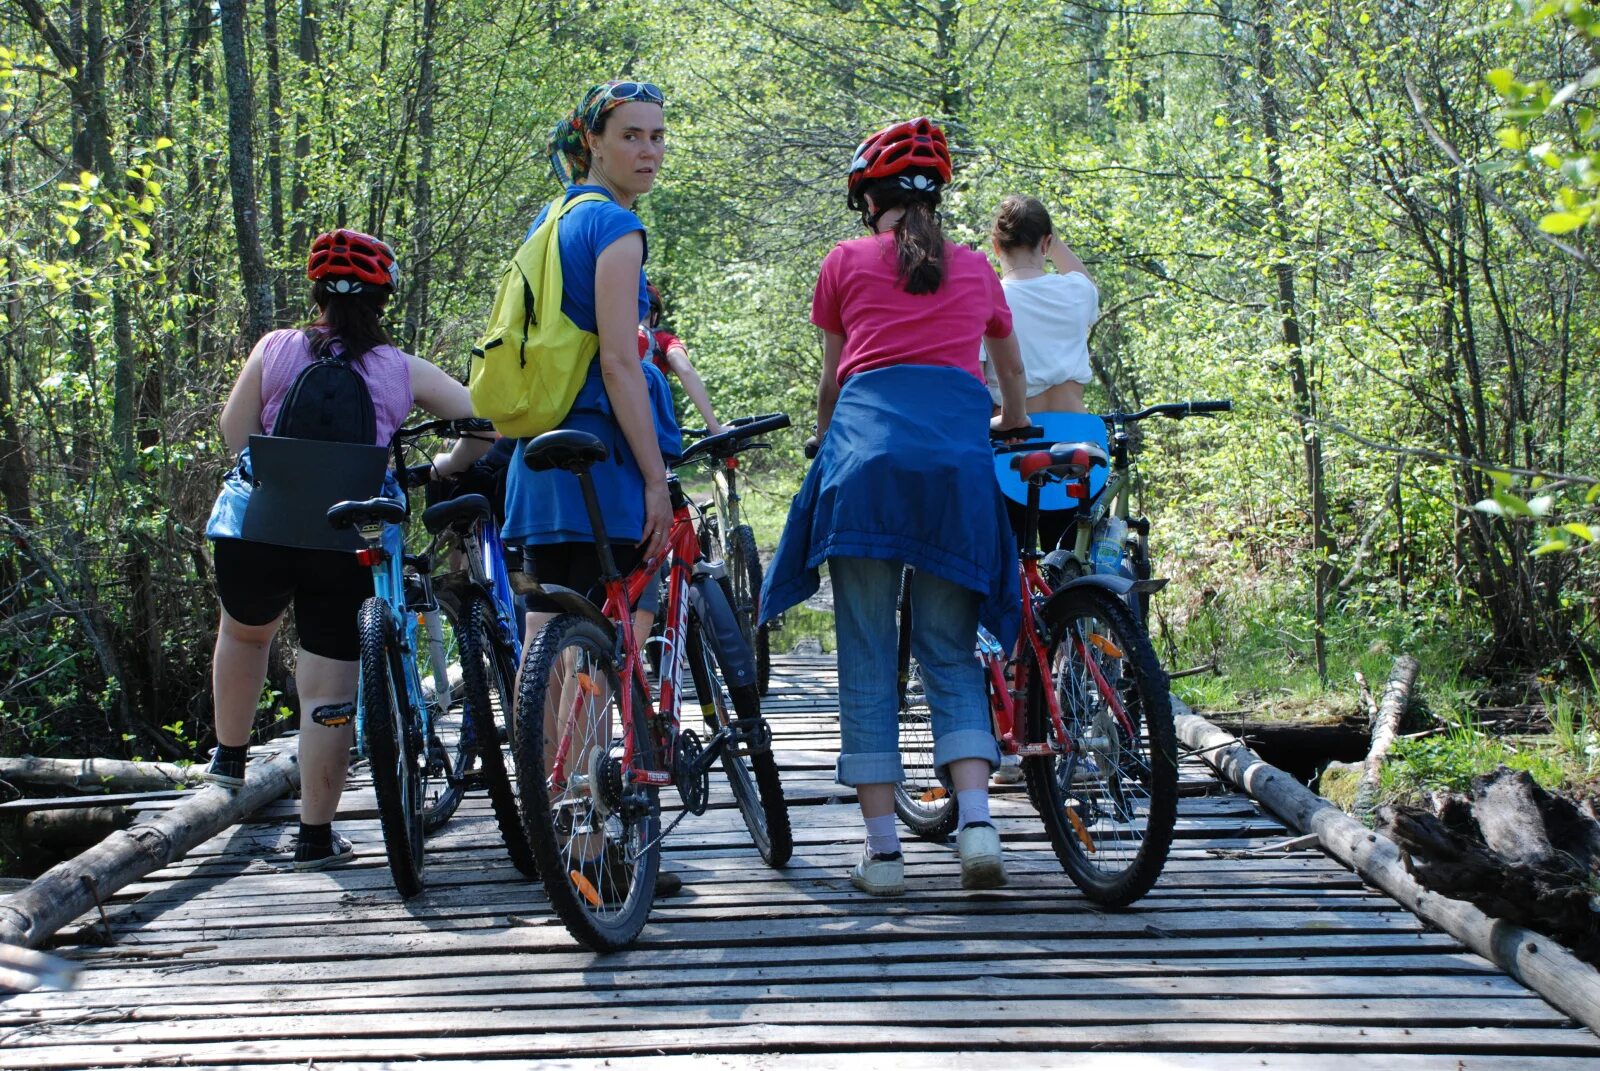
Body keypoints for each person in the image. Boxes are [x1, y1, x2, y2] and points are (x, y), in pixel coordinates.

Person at [761, 118, 1029, 896]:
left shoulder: (844, 262)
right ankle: (977, 825)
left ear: (864, 200)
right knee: (950, 649)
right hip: (954, 472)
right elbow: (1009, 368)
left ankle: (883, 854)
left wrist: (825, 444)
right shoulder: (977, 268)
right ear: (937, 199)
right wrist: (1008, 422)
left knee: (869, 656)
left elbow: (833, 381)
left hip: (865, 471)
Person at [204, 229, 488, 869]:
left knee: (245, 634)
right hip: (346, 535)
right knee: (327, 689)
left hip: (257, 526)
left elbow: (233, 434)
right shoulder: (399, 368)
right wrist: (446, 464)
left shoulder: (274, 348)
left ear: (316, 292)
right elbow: (485, 424)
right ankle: (313, 835)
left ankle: (228, 761)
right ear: (383, 298)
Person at [505, 79, 683, 897]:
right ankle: (596, 839)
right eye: (632, 136)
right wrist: (655, 476)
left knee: (547, 642)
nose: (648, 150)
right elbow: (619, 359)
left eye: (656, 136)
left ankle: (554, 831)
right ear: (595, 142)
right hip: (602, 463)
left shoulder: (549, 221)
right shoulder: (616, 226)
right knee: (610, 648)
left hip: (538, 461)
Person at [984, 195, 1102, 785]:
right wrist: (1054, 241)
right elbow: (1080, 273)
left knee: (1007, 580)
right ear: (1046, 240)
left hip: (1018, 451)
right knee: (1068, 582)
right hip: (1084, 447)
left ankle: (1012, 732)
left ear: (994, 246)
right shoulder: (1076, 292)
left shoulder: (992, 297)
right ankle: (1077, 716)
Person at [640, 284, 725, 435]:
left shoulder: (605, 334)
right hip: (646, 423)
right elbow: (685, 370)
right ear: (654, 315)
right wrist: (715, 427)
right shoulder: (663, 340)